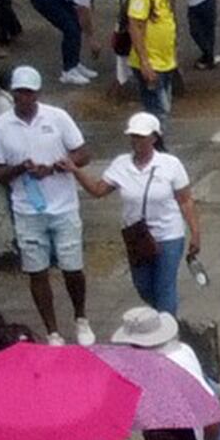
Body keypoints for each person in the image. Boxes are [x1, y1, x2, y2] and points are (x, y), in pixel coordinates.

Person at [0, 66, 93, 343]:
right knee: (37, 270)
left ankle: (80, 317)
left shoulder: (57, 118)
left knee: (72, 266)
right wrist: (20, 168)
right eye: (19, 93)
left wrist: (55, 168)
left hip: (63, 205)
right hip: (27, 209)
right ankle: (53, 330)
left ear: (38, 94)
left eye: (29, 93)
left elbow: (82, 154)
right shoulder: (0, 128)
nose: (24, 98)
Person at [89, 114, 200, 318]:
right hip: (138, 236)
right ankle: (162, 316)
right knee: (143, 286)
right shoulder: (121, 164)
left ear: (154, 138)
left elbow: (185, 200)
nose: (136, 141)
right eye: (133, 136)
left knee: (164, 285)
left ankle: (168, 326)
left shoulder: (170, 164)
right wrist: (74, 171)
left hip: (168, 234)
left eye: (141, 136)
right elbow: (98, 190)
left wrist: (195, 232)